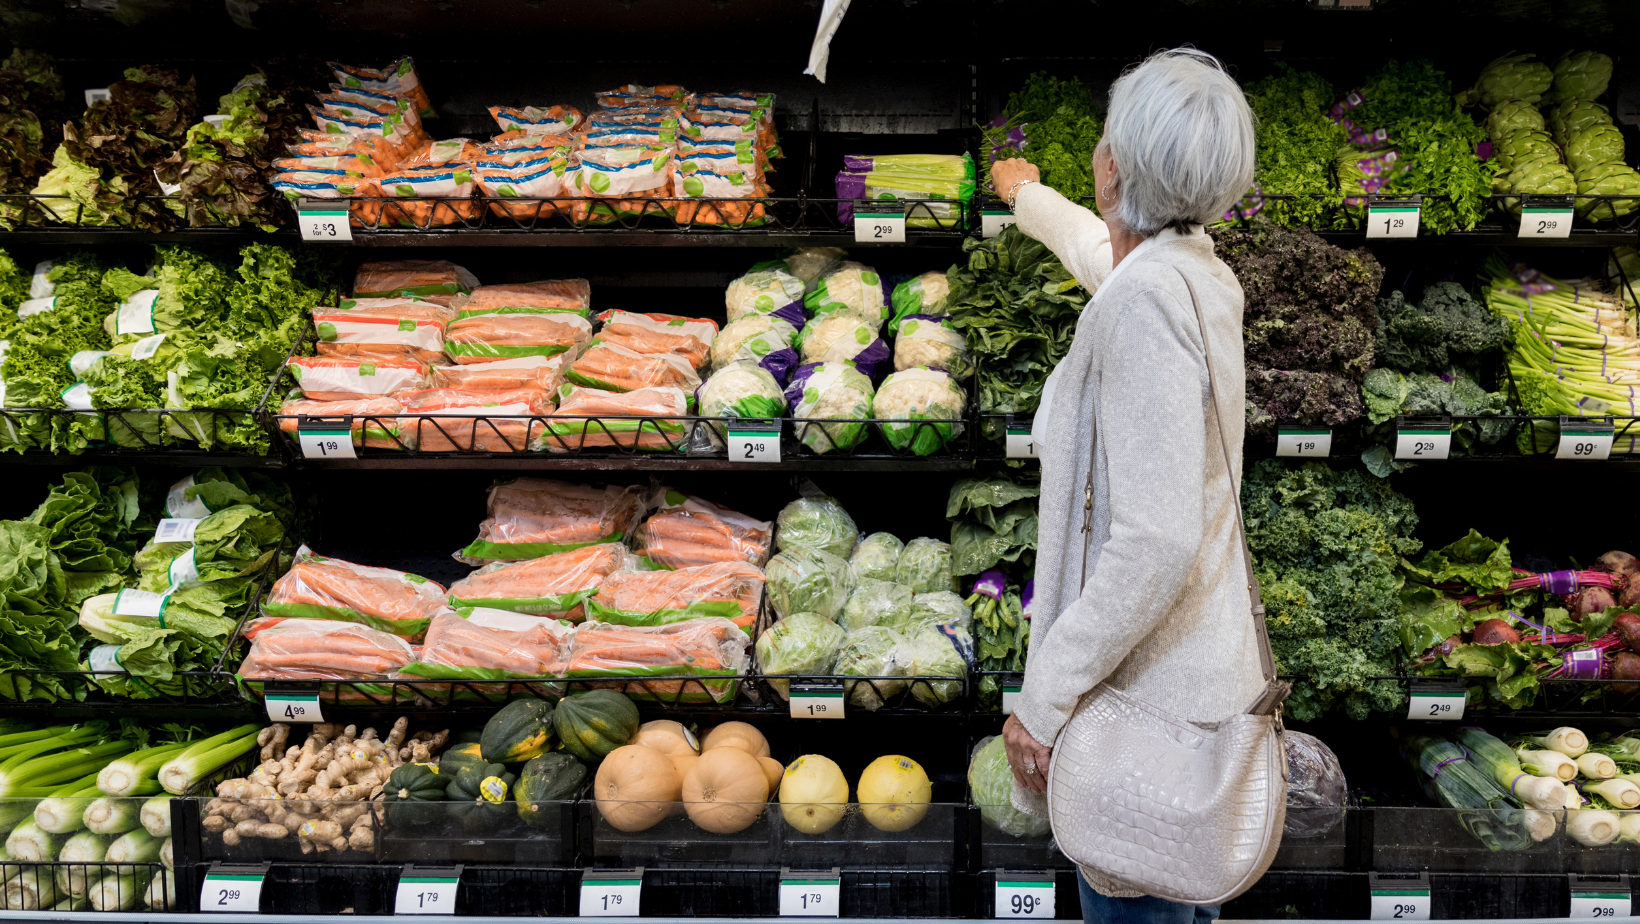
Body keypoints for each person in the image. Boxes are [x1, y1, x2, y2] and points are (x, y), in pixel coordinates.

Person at [989, 48, 1269, 924]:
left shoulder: (1145, 306)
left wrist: (1043, 701)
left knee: (1141, 906)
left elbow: (1155, 541)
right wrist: (1025, 197)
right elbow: (1098, 251)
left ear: (1113, 164)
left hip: (1147, 718)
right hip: (1189, 697)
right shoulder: (1190, 273)